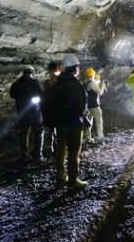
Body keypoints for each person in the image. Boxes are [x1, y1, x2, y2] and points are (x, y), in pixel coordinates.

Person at [52, 54, 88, 190]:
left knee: (61, 152)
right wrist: (83, 112)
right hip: (73, 123)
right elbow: (80, 106)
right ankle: (73, 181)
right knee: (73, 152)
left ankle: (60, 178)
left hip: (60, 123)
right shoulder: (75, 84)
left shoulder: (58, 82)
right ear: (74, 69)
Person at [9, 66, 45, 162]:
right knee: (39, 131)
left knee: (23, 133)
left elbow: (12, 94)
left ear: (23, 72)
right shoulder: (36, 82)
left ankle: (24, 155)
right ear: (32, 72)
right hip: (35, 111)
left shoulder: (17, 83)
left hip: (22, 112)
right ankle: (38, 155)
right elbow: (42, 94)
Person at [41, 61, 62, 159]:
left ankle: (57, 151)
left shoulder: (61, 83)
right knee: (50, 133)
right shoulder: (48, 84)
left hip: (57, 113)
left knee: (57, 133)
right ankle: (52, 151)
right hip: (51, 113)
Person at [82, 67, 107, 144]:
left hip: (88, 107)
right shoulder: (92, 83)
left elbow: (93, 84)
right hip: (95, 106)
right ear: (92, 75)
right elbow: (99, 92)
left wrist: (98, 81)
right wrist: (102, 84)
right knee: (99, 122)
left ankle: (88, 137)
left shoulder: (86, 83)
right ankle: (100, 136)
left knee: (89, 123)